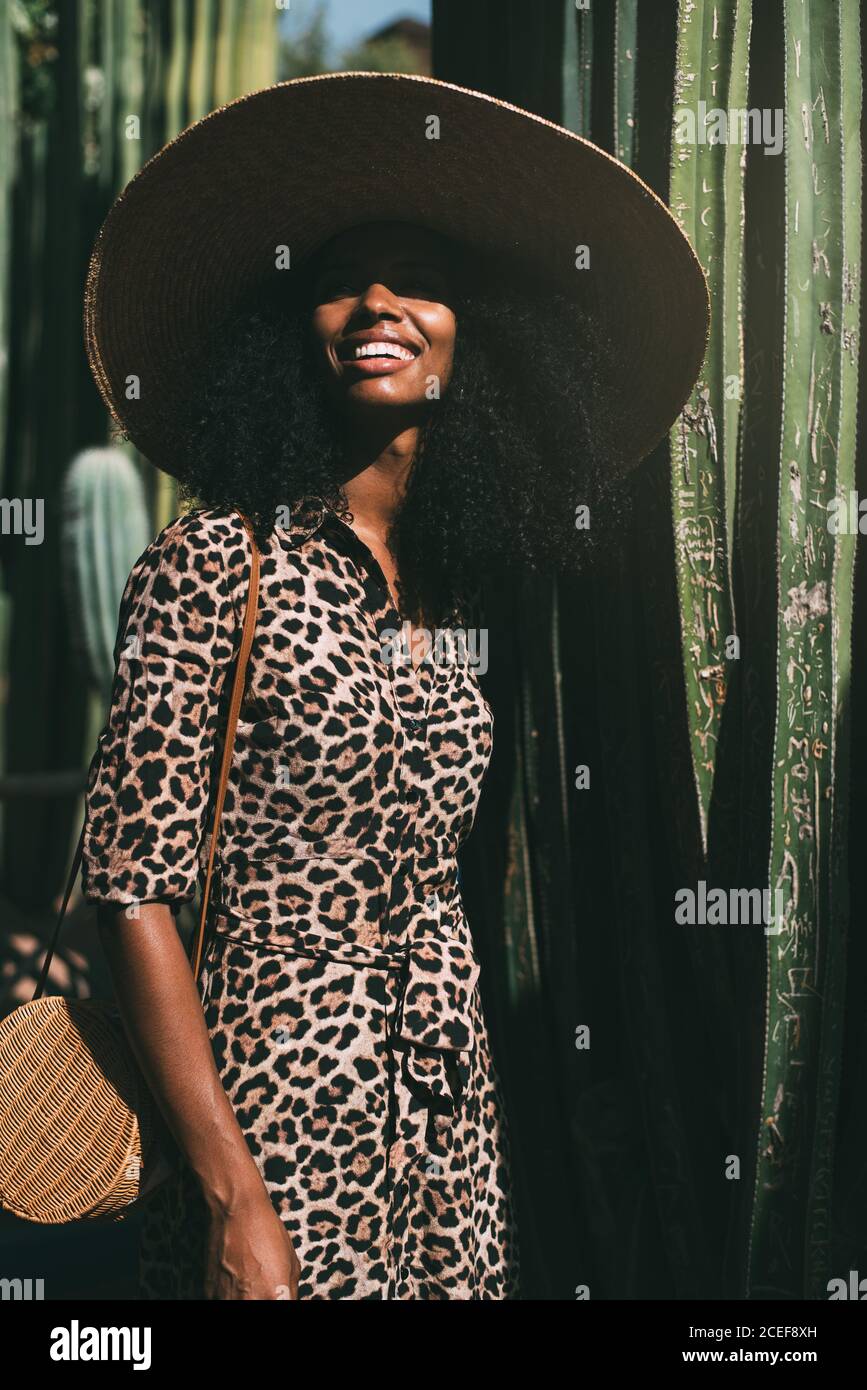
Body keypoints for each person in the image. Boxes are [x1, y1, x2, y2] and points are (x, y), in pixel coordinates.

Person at [81, 72, 709, 1300]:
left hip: (448, 1132)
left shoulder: (453, 602)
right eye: (341, 278)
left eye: (415, 277)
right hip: (272, 1127)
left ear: (477, 334)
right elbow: (130, 889)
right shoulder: (216, 563)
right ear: (293, 335)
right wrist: (231, 1191)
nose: (376, 301)